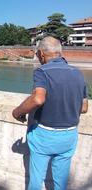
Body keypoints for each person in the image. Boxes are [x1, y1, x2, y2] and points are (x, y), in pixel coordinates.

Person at [12, 36, 88, 190]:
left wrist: (17, 112)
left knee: (36, 180)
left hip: (45, 135)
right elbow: (84, 107)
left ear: (41, 53)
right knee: (61, 182)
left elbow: (38, 99)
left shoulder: (42, 71)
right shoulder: (78, 73)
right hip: (69, 135)